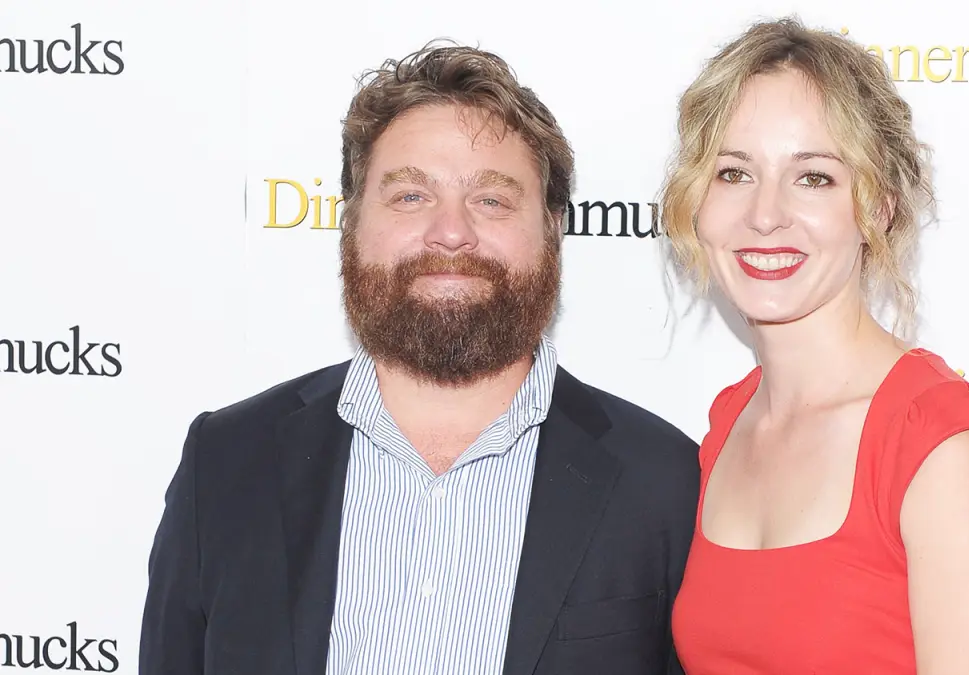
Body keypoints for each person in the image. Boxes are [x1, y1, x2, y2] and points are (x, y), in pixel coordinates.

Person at [139, 43, 699, 675]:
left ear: (553, 230)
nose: (451, 231)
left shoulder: (665, 481)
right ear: (350, 223)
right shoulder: (228, 462)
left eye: (492, 199)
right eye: (410, 197)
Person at [661, 17, 969, 675]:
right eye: (732, 172)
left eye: (813, 177)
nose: (764, 213)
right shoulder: (730, 424)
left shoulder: (940, 449)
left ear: (880, 206)